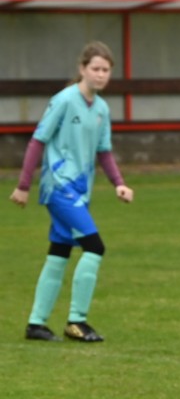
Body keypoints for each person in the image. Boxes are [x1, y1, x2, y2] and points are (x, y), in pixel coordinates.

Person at [10, 41, 134, 342]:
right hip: (59, 187)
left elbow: (104, 151)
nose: (101, 74)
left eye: (106, 70)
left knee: (60, 252)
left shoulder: (101, 108)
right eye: (95, 68)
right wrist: (24, 186)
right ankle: (77, 321)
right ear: (82, 68)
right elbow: (38, 141)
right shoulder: (64, 100)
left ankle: (36, 324)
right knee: (95, 247)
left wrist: (118, 183)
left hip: (81, 190)